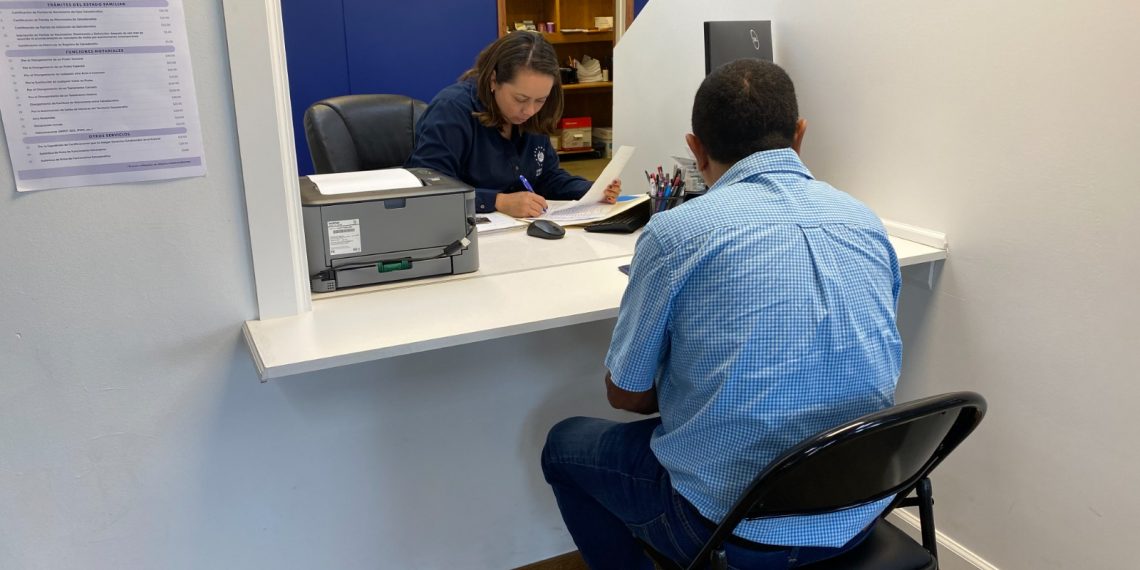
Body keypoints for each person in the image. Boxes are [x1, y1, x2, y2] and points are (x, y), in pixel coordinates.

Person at [540, 59, 903, 569]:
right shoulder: (864, 221)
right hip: (857, 513)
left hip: (730, 528)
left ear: (695, 149)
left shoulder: (677, 234)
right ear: (800, 135)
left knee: (563, 447)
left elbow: (624, 395)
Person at [406, 32, 620, 218]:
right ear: (493, 81)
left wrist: (591, 191)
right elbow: (429, 189)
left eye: (540, 100)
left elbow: (546, 177)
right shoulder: (452, 110)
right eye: (520, 99)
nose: (530, 111)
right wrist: (498, 201)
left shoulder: (534, 115)